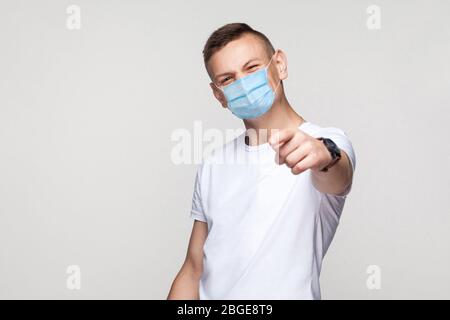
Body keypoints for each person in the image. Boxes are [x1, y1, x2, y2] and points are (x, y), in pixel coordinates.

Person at [168, 23, 356, 300]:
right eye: (228, 79)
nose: (243, 83)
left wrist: (323, 155)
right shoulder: (214, 164)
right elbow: (194, 268)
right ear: (219, 95)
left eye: (252, 67)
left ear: (279, 64)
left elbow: (339, 175)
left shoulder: (325, 141)